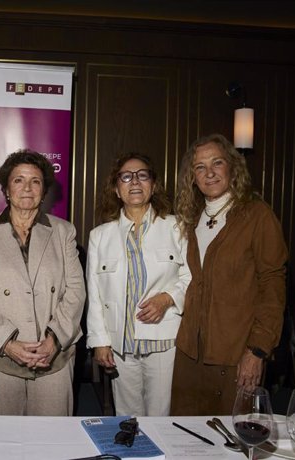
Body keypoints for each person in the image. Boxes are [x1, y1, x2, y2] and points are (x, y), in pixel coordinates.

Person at [171, 133, 288, 415]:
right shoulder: (190, 217)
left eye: (217, 163)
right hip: (190, 354)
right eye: (200, 167)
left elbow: (273, 286)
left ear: (232, 167)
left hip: (236, 354)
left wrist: (258, 351)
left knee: (233, 442)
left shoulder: (257, 215)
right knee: (186, 442)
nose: (209, 173)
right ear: (193, 177)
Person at [0, 149, 85, 416]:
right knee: (6, 443)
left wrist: (54, 340)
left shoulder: (63, 231)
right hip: (1, 357)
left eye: (35, 181)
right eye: (18, 180)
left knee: (52, 441)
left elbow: (75, 291)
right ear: (6, 189)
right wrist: (8, 343)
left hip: (53, 356)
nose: (27, 188)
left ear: (44, 190)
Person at [86, 152, 191, 416]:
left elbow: (191, 278)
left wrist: (167, 298)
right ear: (117, 188)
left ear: (153, 186)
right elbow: (95, 294)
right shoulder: (100, 236)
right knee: (128, 417)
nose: (135, 181)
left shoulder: (176, 227)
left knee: (161, 415)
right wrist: (100, 341)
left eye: (142, 175)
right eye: (126, 176)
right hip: (120, 345)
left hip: (163, 341)